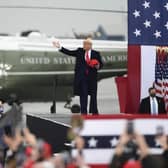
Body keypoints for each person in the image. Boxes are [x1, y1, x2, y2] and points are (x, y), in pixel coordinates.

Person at [53, 38, 103, 115]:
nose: (84, 46)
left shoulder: (96, 53)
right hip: (82, 79)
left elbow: (100, 65)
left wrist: (97, 65)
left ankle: (94, 112)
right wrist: (60, 47)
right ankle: (84, 113)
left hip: (92, 79)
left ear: (90, 45)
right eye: (83, 44)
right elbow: (69, 52)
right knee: (83, 96)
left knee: (93, 96)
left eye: (85, 44)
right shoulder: (79, 51)